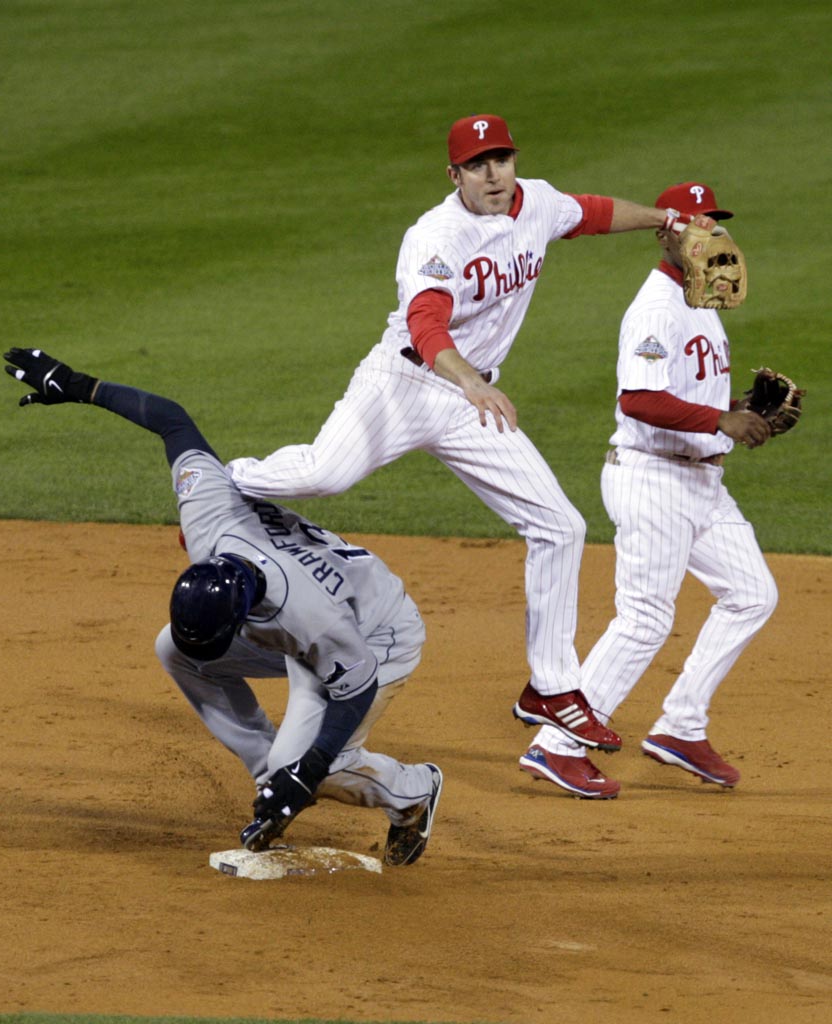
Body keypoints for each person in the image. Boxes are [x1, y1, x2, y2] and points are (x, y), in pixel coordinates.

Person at [227, 113, 694, 764]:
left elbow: (587, 212)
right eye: (478, 164)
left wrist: (662, 221)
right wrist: (470, 380)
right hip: (408, 382)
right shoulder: (436, 235)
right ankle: (225, 480)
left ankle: (553, 688)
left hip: (471, 399)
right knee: (324, 473)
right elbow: (426, 322)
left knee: (560, 525)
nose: (494, 172)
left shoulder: (536, 201)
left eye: (501, 158)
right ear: (455, 175)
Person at [4, 346, 442, 865]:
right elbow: (171, 420)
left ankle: (413, 791)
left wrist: (306, 772)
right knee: (175, 650)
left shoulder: (309, 615)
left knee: (325, 764)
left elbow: (357, 683)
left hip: (374, 634)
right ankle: (270, 786)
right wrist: (82, 386)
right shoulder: (206, 514)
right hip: (307, 621)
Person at [519, 182, 778, 798]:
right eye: (695, 223)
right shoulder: (658, 306)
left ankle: (681, 726)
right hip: (653, 477)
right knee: (644, 618)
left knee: (751, 594)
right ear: (666, 233)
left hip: (701, 483)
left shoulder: (704, 299)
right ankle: (557, 745)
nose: (709, 234)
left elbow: (684, 392)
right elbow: (638, 399)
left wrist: (732, 406)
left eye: (714, 223)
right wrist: (720, 421)